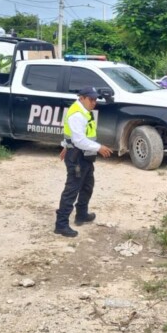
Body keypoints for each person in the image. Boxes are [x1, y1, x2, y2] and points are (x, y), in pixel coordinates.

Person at [55, 86, 113, 237]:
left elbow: (71, 135)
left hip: (85, 155)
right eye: (91, 99)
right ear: (82, 98)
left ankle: (81, 214)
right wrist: (99, 147)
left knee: (87, 186)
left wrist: (65, 146)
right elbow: (79, 140)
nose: (94, 102)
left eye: (95, 99)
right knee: (72, 189)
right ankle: (61, 224)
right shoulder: (77, 114)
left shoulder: (83, 111)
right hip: (77, 156)